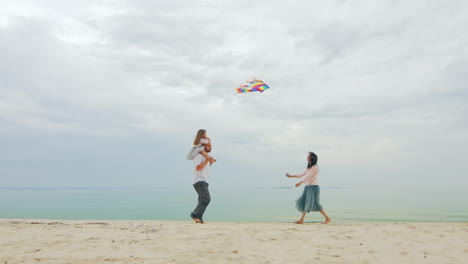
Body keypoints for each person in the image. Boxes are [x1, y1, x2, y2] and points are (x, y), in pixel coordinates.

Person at [286, 152, 331, 224]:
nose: (307, 157)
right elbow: (302, 174)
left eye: (308, 156)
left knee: (316, 203)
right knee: (305, 203)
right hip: (308, 187)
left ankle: (328, 218)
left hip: (314, 187)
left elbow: (308, 177)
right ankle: (301, 220)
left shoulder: (315, 167)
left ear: (312, 158)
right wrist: (291, 176)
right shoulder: (309, 167)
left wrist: (300, 183)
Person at [190, 141, 216, 224]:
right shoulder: (198, 155)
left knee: (202, 200)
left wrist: (210, 162)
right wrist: (207, 160)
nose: (210, 147)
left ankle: (199, 219)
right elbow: (198, 167)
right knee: (206, 198)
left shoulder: (205, 157)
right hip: (199, 180)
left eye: (211, 146)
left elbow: (204, 168)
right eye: (208, 146)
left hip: (204, 181)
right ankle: (194, 214)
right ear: (203, 146)